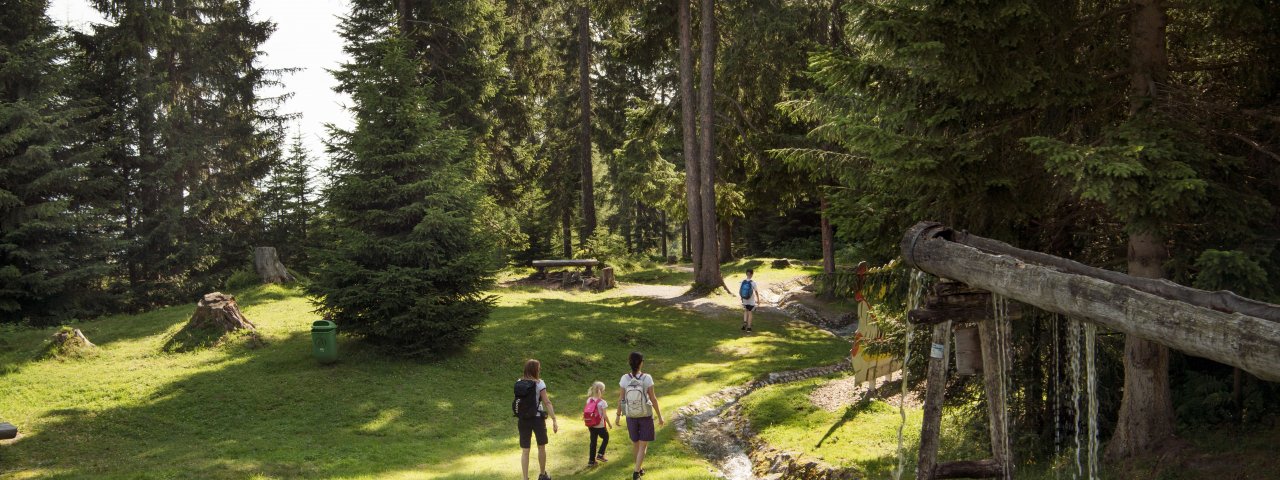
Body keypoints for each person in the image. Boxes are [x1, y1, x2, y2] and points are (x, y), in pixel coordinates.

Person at [615, 351, 664, 480]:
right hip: (645, 415)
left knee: (636, 444)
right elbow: (653, 399)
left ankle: (639, 468)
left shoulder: (624, 378)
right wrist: (660, 416)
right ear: (641, 363)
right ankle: (636, 473)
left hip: (630, 416)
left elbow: (621, 398)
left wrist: (618, 415)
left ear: (629, 363)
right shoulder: (647, 378)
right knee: (643, 445)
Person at [516, 359, 559, 480]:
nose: (540, 370)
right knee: (541, 446)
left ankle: (525, 478)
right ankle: (542, 475)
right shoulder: (540, 383)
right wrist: (554, 419)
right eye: (538, 368)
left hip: (523, 419)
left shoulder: (519, 382)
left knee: (525, 450)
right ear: (535, 370)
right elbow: (547, 402)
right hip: (537, 419)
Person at [583, 381, 612, 467]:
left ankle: (591, 461)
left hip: (591, 425)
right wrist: (610, 424)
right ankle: (600, 454)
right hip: (600, 425)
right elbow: (605, 416)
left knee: (593, 442)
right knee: (606, 438)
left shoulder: (589, 399)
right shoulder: (602, 402)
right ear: (601, 391)